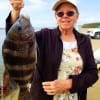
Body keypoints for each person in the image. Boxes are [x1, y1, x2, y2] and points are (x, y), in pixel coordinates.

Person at [6, 0, 98, 100]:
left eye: (70, 13)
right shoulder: (44, 35)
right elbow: (17, 39)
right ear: (56, 17)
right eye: (60, 13)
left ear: (77, 17)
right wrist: (16, 10)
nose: (65, 16)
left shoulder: (84, 40)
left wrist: (70, 84)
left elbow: (93, 73)